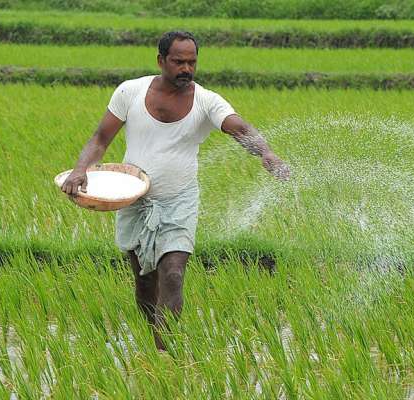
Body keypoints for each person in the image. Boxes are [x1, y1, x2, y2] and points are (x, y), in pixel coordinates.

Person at [61, 31, 290, 351]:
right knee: (144, 283)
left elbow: (239, 127)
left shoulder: (207, 101)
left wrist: (265, 152)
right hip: (134, 199)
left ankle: (164, 350)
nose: (186, 68)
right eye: (179, 61)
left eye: (192, 62)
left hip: (179, 199)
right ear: (161, 61)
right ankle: (154, 340)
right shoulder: (130, 91)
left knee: (172, 273)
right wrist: (80, 169)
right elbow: (100, 139)